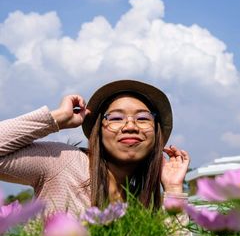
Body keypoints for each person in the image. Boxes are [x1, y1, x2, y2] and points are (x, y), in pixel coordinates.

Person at [0, 79, 190, 216]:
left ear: (156, 136)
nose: (130, 126)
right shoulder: (64, 163)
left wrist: (173, 190)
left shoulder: (142, 204)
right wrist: (57, 118)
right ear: (97, 132)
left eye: (142, 118)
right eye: (116, 118)